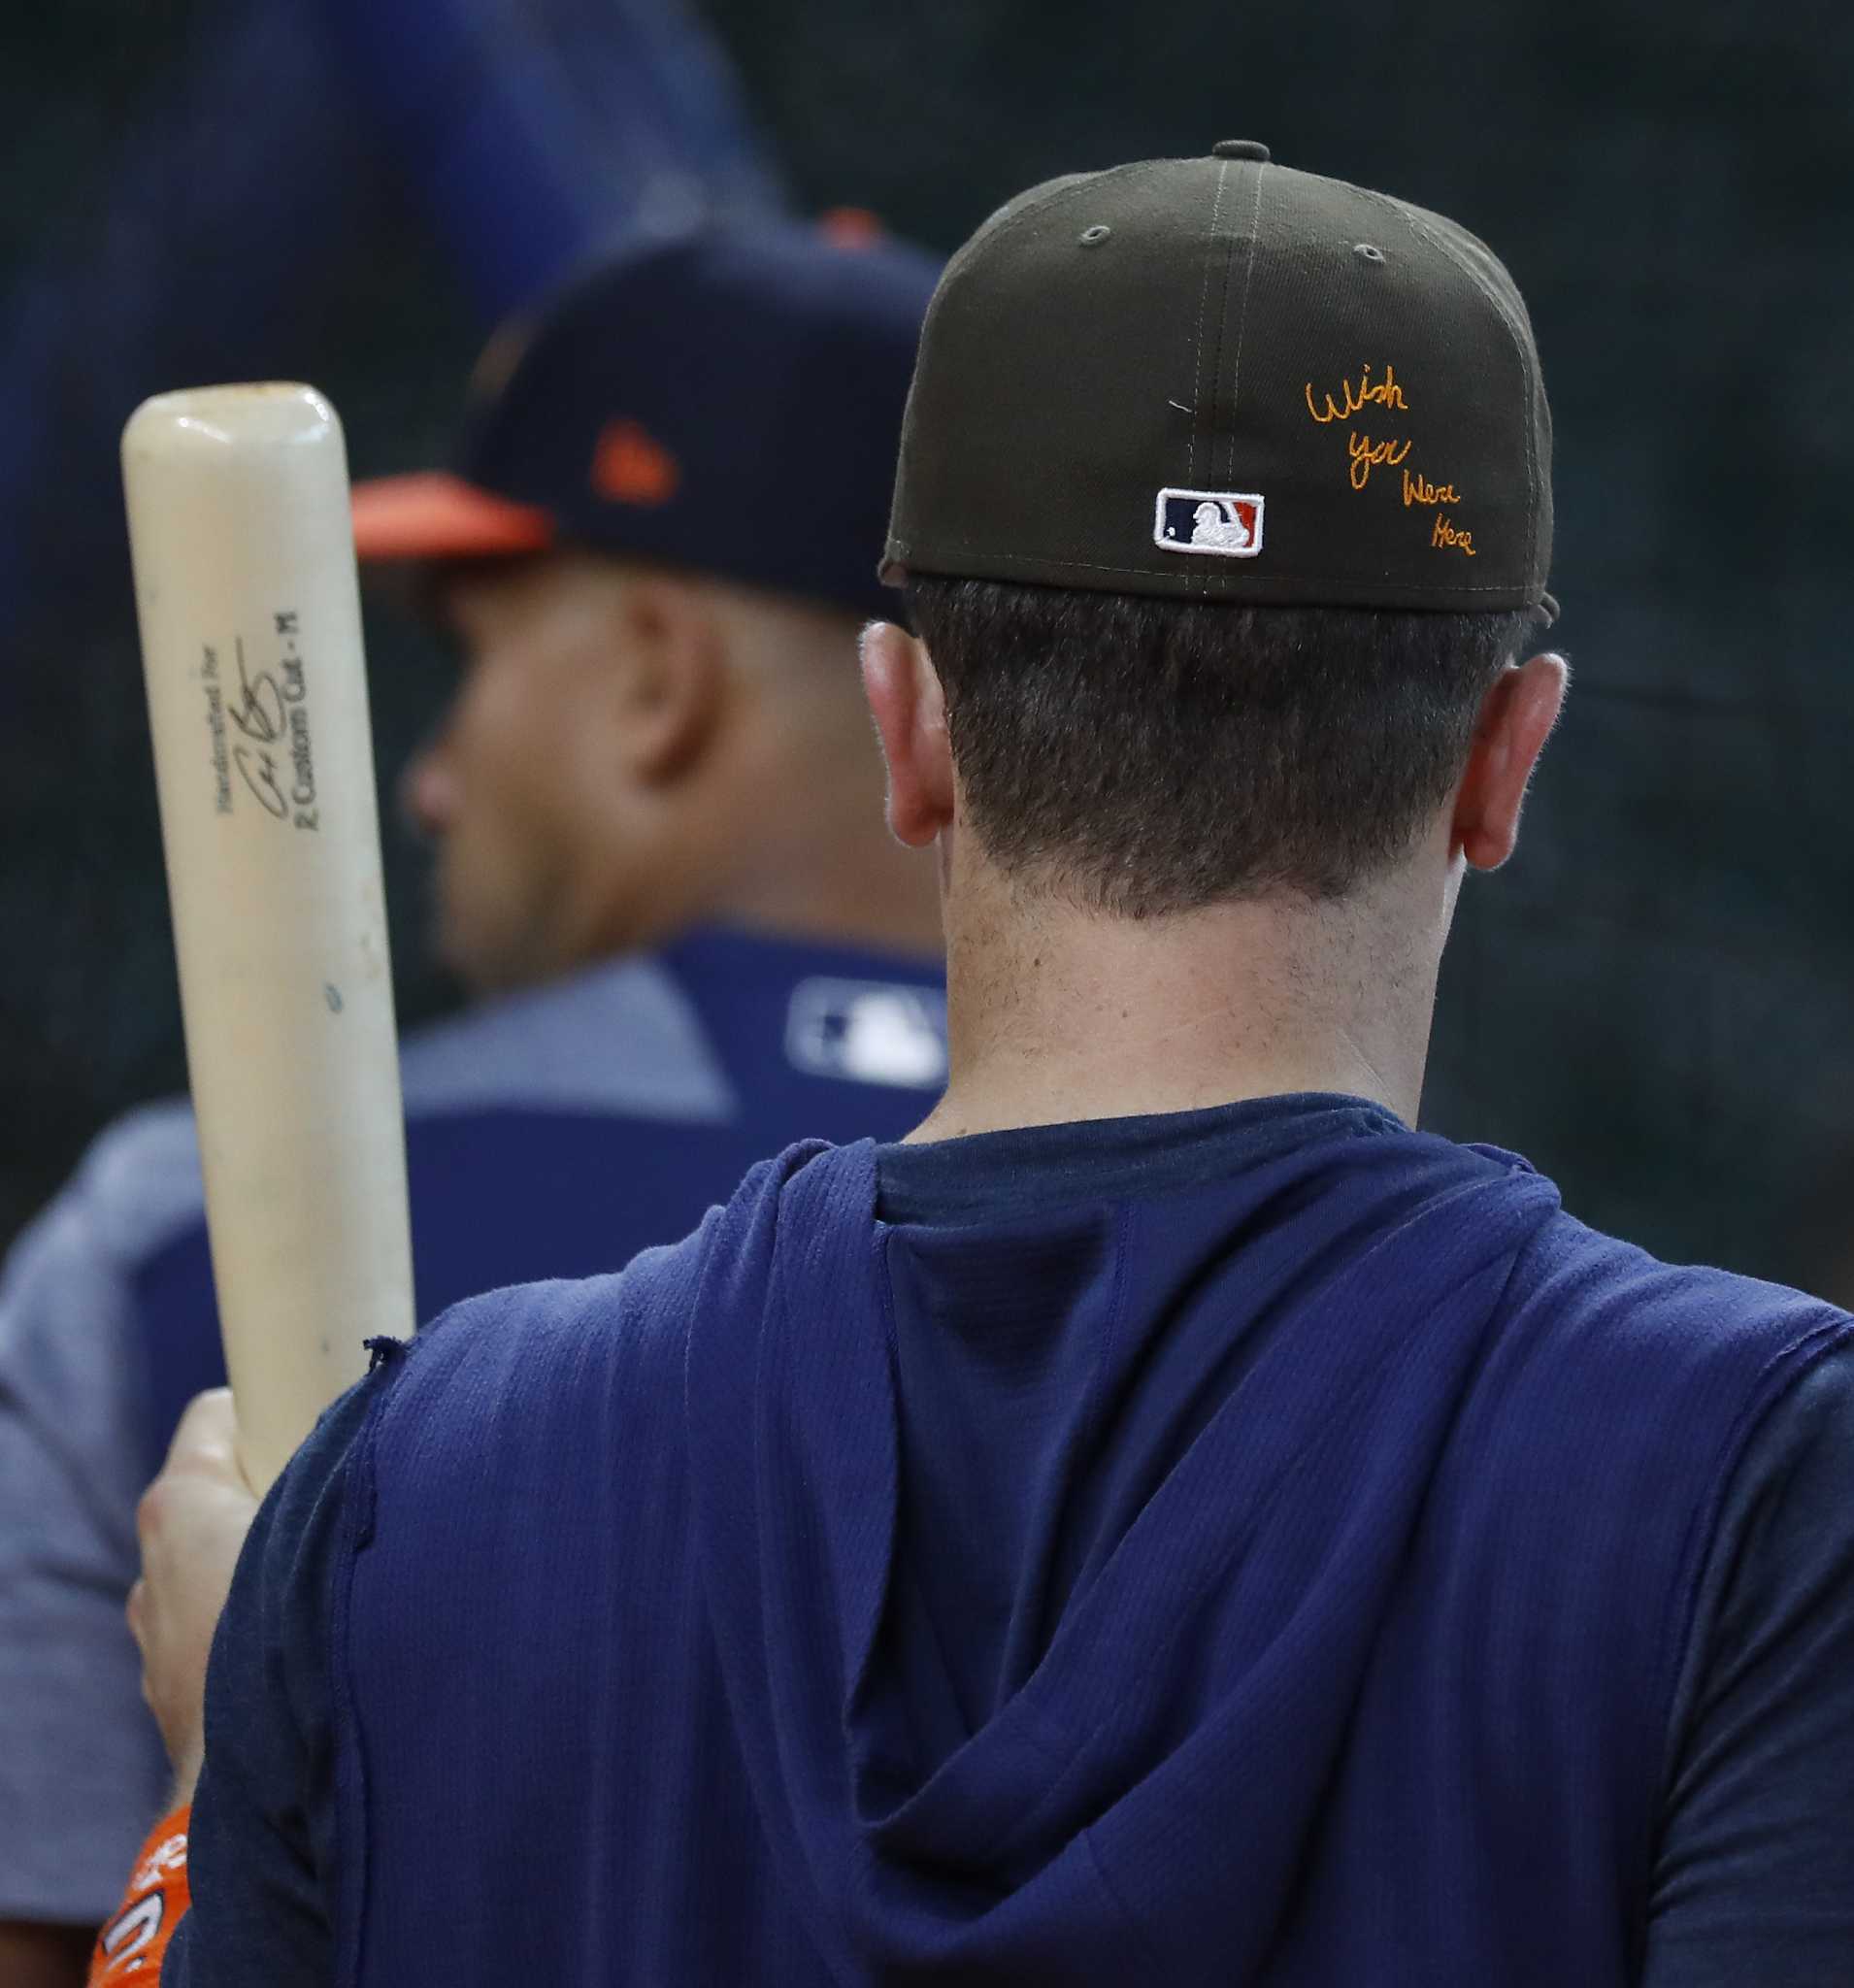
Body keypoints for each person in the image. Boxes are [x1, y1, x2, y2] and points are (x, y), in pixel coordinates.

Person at [109, 144, 1854, 1987]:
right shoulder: (1757, 1490)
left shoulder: (416, 1496)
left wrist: (233, 1788)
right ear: (1507, 761)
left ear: (907, 726)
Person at [0, 215, 948, 1986]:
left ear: (659, 680)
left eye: (483, 654)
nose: (432, 782)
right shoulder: (1338, 1255)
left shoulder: (175, 1238)